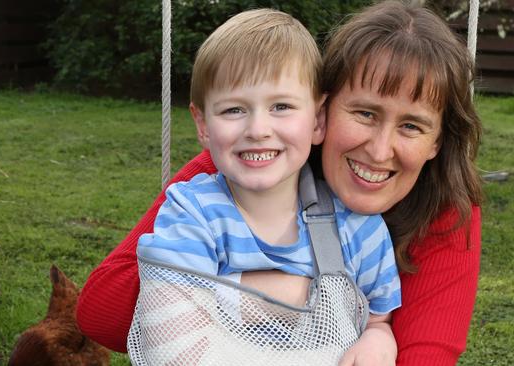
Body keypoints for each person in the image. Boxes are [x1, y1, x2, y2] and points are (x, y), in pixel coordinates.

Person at [76, 1, 483, 365]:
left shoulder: (430, 216)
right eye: (364, 114)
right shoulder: (229, 180)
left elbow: (411, 346)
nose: (379, 151)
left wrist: (378, 332)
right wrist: (283, 295)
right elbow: (104, 313)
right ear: (324, 113)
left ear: (437, 142)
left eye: (411, 126)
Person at [131, 8, 400, 364]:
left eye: (281, 106)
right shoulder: (191, 214)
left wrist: (379, 337)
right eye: (234, 111)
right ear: (203, 126)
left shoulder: (356, 227)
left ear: (318, 119)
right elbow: (169, 341)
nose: (258, 129)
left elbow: (377, 317)